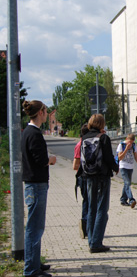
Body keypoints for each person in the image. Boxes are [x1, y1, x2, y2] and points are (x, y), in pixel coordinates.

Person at [21, 100, 56, 277]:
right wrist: (50, 159)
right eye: (45, 110)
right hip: (36, 185)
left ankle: (34, 263)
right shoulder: (33, 133)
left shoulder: (28, 132)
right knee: (34, 228)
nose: (46, 113)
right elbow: (40, 159)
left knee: (36, 226)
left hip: (34, 184)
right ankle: (31, 270)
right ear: (41, 112)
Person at [82, 114, 119, 253]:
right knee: (102, 209)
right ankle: (96, 243)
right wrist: (115, 168)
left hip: (88, 176)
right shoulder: (103, 138)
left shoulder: (85, 137)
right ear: (102, 124)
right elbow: (109, 158)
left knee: (91, 208)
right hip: (102, 176)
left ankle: (91, 239)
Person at [117, 133, 137, 208]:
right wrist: (126, 149)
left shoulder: (134, 145)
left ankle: (123, 200)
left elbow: (135, 156)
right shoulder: (121, 145)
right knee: (127, 183)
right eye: (129, 142)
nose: (130, 144)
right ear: (126, 139)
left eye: (132, 142)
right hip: (123, 167)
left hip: (130, 167)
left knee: (126, 184)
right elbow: (120, 158)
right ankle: (131, 200)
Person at [73, 123, 89, 239]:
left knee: (88, 202)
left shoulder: (82, 143)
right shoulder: (80, 145)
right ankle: (84, 226)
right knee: (87, 202)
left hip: (84, 176)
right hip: (83, 177)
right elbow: (75, 165)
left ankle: (87, 227)